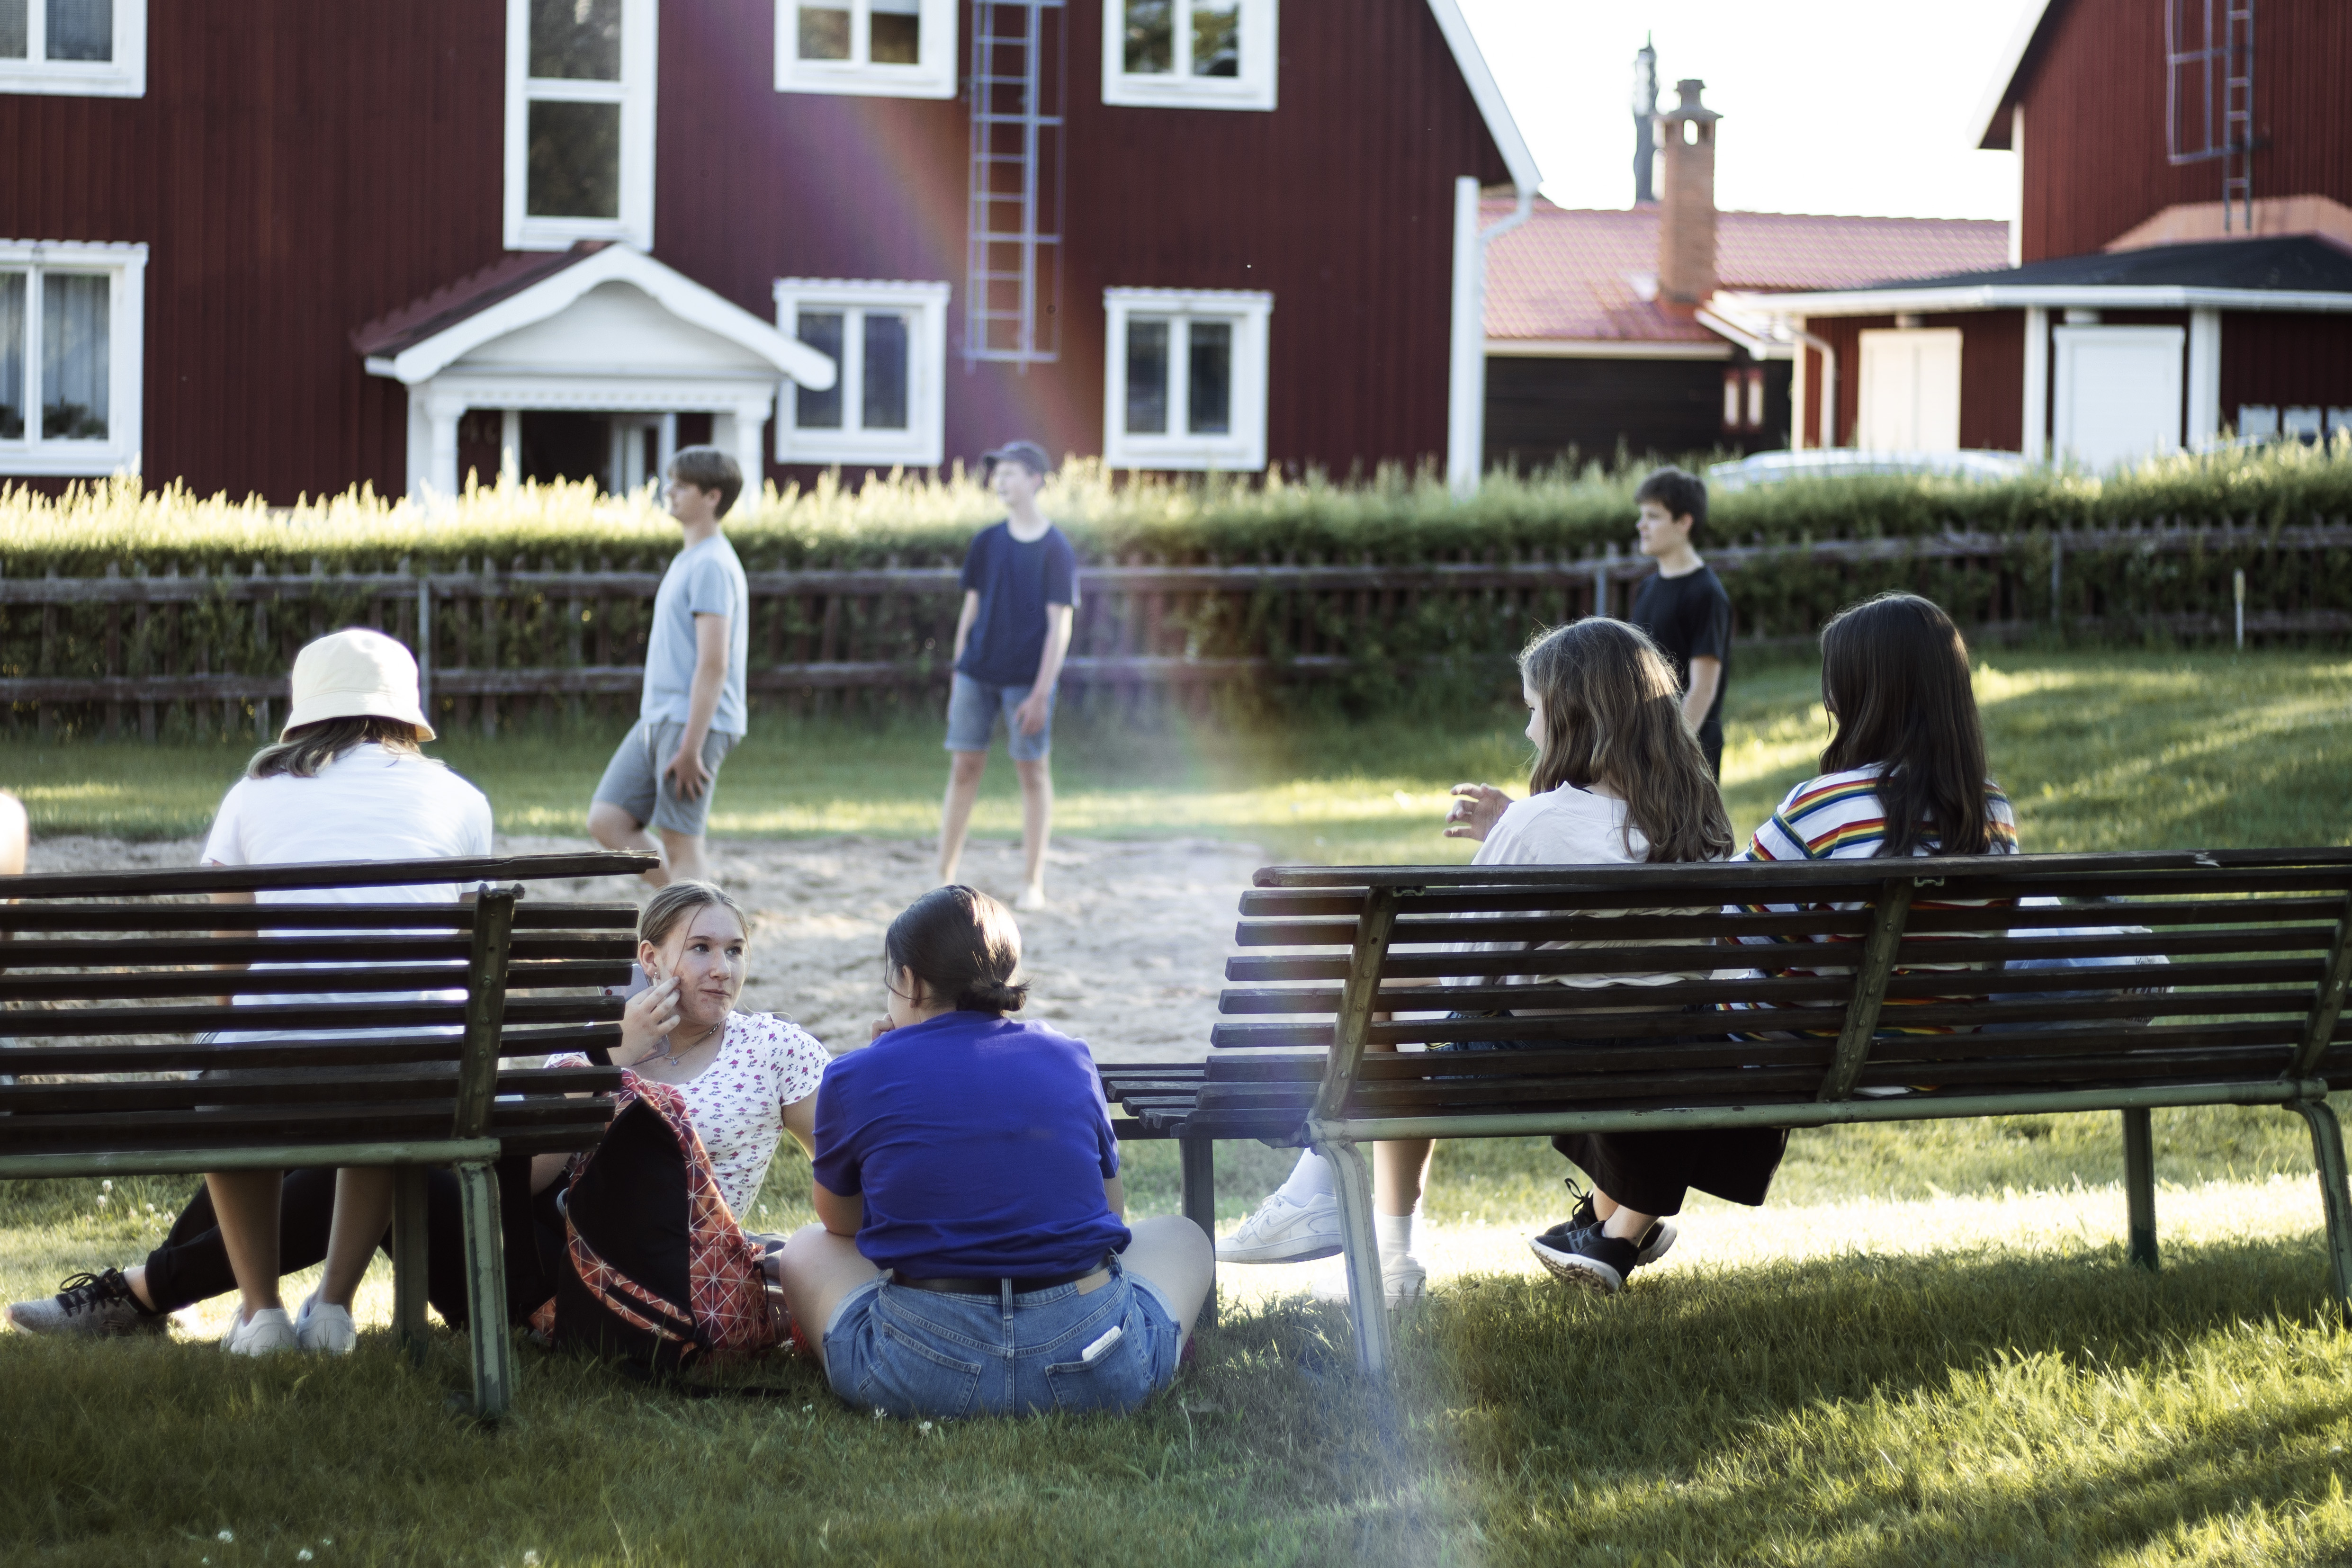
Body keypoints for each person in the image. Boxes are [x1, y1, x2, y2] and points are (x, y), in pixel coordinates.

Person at [12, 881, 826, 1341]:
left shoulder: (773, 1049)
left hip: (637, 1288)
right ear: (651, 961)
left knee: (349, 1158)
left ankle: (140, 1291)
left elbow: (849, 1157)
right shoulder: (591, 1053)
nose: (722, 969)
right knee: (349, 1144)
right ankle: (144, 1290)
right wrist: (610, 1061)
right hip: (532, 1259)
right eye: (702, 949)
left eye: (734, 950)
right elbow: (524, 1177)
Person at [1216, 619, 1738, 1302]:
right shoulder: (1699, 821)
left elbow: (1464, 967)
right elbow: (1605, 859)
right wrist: (1516, 828)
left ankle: (1363, 1227)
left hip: (1534, 1063)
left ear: (1575, 715)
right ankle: (1323, 1196)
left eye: (1533, 710)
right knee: (1388, 988)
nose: (1528, 732)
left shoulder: (1539, 826)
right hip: (1657, 1056)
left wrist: (1513, 835)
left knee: (1378, 989)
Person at [774, 886, 1212, 1418]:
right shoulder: (1070, 1057)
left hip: (917, 1370)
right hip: (1093, 1365)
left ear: (909, 981)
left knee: (803, 1248)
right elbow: (1110, 1212)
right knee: (1183, 1236)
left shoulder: (855, 1074)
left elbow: (839, 1222)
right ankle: (1144, 1339)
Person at [198, 627, 494, 1356]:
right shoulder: (460, 798)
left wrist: (230, 1028)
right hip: (419, 1074)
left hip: (272, 1070)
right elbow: (467, 947)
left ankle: (261, 1312)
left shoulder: (253, 793)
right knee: (388, 1054)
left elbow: (226, 949)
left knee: (230, 1077)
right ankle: (332, 1305)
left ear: (307, 709)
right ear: (404, 711)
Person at [1725, 591, 2020, 1030]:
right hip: (1931, 1068)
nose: (1829, 701)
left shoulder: (1827, 806)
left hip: (1799, 1064)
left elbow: (1734, 933)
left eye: (1837, 685)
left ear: (1867, 695)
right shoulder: (1991, 808)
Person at [589, 446, 751, 888]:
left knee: (682, 845)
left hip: (690, 723)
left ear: (713, 497)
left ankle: (696, 928)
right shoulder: (690, 559)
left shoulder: (714, 565)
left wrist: (691, 747)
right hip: (658, 717)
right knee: (608, 820)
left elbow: (714, 664)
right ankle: (689, 908)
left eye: (682, 486)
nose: (670, 492)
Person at [937, 441, 1077, 911]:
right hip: (976, 672)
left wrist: (1041, 692)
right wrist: (959, 667)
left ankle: (1032, 881)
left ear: (1036, 479)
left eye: (1011, 472)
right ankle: (943, 876)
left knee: (1033, 773)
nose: (1001, 480)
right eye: (997, 473)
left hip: (1025, 680)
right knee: (964, 768)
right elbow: (970, 608)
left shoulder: (1056, 548)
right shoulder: (987, 541)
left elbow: (1060, 625)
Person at [1627, 466, 1732, 779]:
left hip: (1687, 754)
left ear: (1685, 522)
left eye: (1653, 516)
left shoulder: (1706, 593)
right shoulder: (1647, 588)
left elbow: (1703, 688)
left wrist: (1670, 751)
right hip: (1645, 748)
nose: (1641, 525)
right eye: (1641, 515)